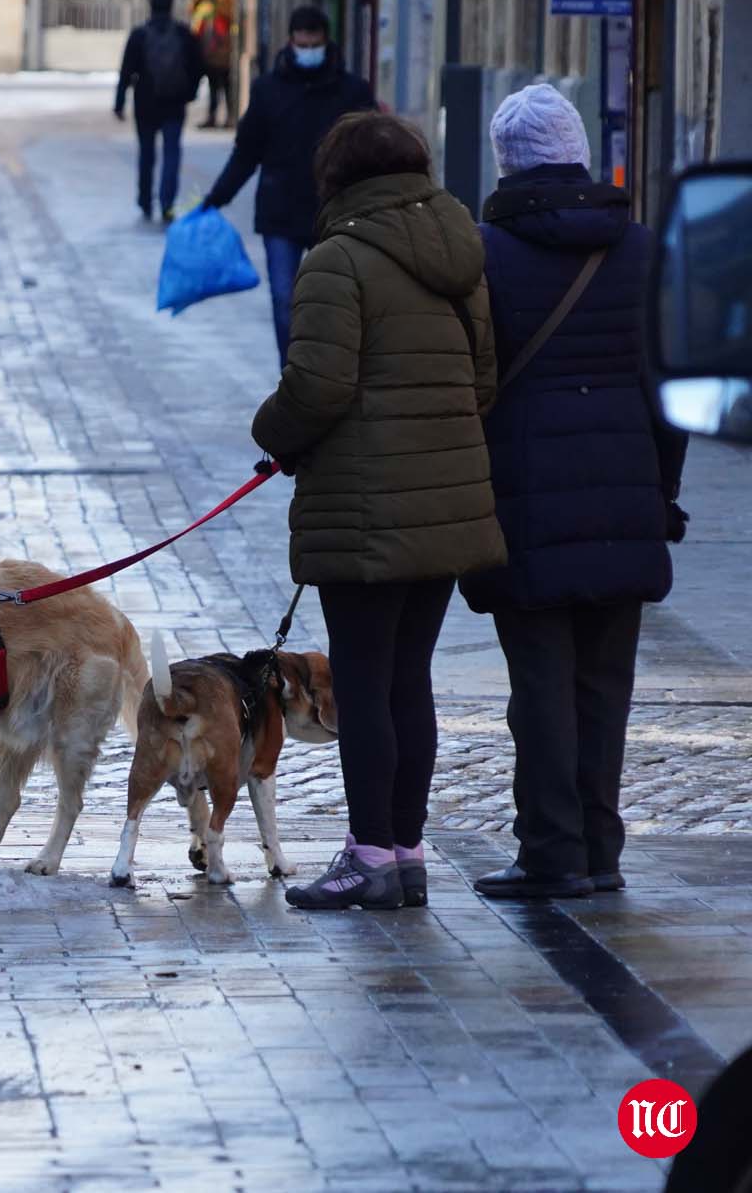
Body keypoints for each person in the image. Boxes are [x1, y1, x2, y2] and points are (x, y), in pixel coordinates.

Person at [250, 111, 507, 912]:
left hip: (363, 508)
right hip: (445, 506)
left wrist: (273, 433)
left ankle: (370, 857)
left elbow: (318, 386)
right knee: (407, 680)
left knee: (363, 685)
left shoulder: (340, 258)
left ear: (337, 178)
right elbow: (483, 379)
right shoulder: (461, 254)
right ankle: (405, 851)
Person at [460, 84, 690, 900]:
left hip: (523, 504)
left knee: (540, 689)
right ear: (582, 152)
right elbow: (671, 389)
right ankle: (600, 848)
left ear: (506, 164)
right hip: (623, 497)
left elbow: (473, 385)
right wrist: (661, 490)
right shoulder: (644, 250)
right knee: (605, 686)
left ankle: (551, 850)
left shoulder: (483, 254)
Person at [203, 6, 375, 364]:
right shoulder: (268, 91)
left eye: (315, 38)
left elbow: (373, 149)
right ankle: (293, 372)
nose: (308, 45)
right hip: (280, 210)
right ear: (291, 40)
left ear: (326, 41)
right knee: (284, 297)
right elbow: (246, 152)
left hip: (335, 210)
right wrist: (217, 197)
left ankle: (330, 368)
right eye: (303, 38)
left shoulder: (351, 91)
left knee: (335, 297)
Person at [115, 0, 205, 223]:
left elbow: (126, 71)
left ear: (150, 5)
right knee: (171, 153)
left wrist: (120, 102)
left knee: (147, 154)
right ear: (171, 5)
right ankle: (166, 203)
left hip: (145, 104)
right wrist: (190, 93)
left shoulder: (139, 35)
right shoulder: (184, 34)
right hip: (174, 105)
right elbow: (198, 66)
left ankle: (146, 200)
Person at [190, 0, 237, 129]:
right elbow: (192, 8)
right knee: (212, 86)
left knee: (226, 85)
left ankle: (230, 117)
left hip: (223, 48)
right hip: (208, 49)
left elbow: (228, 12)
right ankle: (212, 116)